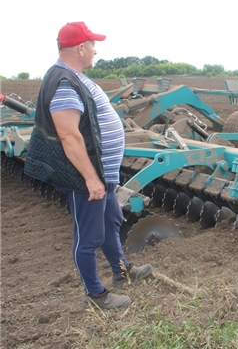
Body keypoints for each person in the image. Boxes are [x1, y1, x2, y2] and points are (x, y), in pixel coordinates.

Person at [24, 22, 153, 310]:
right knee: (89, 236)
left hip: (101, 173)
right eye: (92, 44)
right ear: (80, 48)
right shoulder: (64, 83)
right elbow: (69, 135)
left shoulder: (73, 77)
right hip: (86, 177)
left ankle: (121, 271)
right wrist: (91, 179)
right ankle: (96, 295)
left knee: (111, 222)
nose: (95, 49)